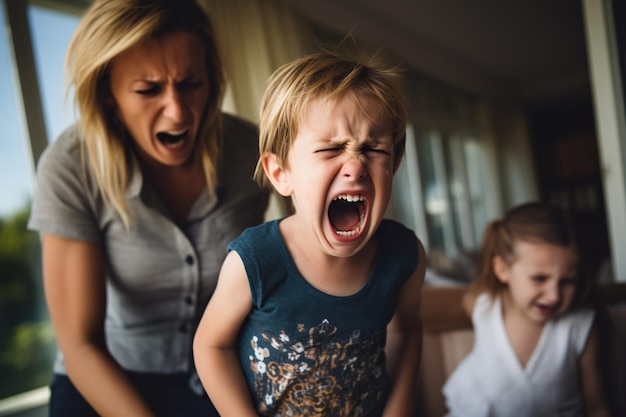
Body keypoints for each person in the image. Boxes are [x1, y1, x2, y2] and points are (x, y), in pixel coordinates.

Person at [27, 0, 269, 416]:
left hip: (217, 372)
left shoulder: (254, 151)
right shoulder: (70, 165)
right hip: (102, 379)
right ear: (108, 93)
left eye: (191, 83)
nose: (177, 112)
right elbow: (80, 343)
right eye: (148, 89)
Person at [192, 50, 426, 417]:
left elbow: (408, 330)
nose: (355, 166)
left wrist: (397, 409)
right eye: (331, 149)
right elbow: (210, 346)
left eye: (373, 149)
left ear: (394, 163)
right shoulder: (254, 260)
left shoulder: (405, 256)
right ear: (280, 172)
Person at [442, 202, 613, 417]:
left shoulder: (580, 327)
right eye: (539, 279)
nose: (554, 296)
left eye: (568, 281)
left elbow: (597, 407)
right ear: (502, 269)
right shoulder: (484, 305)